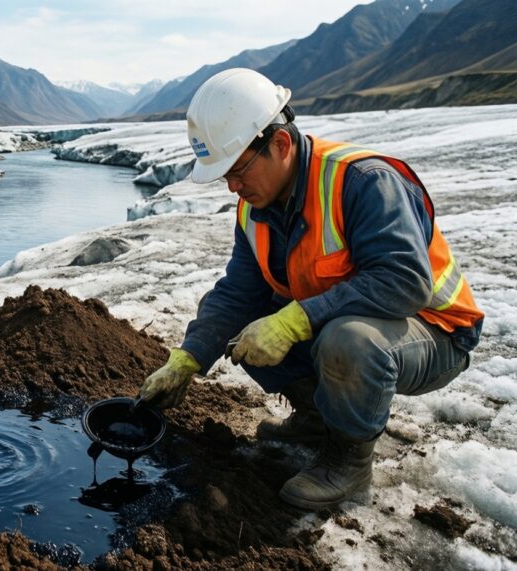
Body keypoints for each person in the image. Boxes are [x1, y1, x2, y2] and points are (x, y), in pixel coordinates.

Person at [139, 68, 483, 510]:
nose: (232, 186)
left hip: (433, 332)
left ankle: (348, 462)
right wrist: (188, 358)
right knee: (243, 327)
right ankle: (320, 419)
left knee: (347, 341)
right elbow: (239, 293)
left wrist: (296, 319)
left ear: (280, 144)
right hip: (355, 323)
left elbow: (405, 280)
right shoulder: (255, 208)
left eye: (238, 170)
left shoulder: (361, 182)